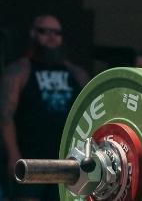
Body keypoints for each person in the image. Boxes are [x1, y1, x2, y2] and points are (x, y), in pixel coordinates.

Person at [0, 15, 89, 201]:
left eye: (56, 32)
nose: (51, 37)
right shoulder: (20, 71)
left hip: (67, 161)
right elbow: (5, 116)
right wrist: (13, 154)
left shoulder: (76, 73)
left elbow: (91, 112)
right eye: (44, 31)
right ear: (33, 34)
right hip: (31, 160)